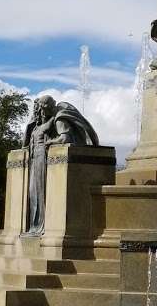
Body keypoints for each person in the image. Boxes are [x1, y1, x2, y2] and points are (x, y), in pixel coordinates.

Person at [22, 96, 99, 235]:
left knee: (40, 192)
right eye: (41, 109)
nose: (41, 112)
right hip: (34, 161)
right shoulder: (37, 125)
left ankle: (40, 226)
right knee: (33, 193)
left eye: (44, 108)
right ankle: (35, 225)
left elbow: (65, 137)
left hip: (42, 160)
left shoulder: (58, 118)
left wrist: (50, 142)